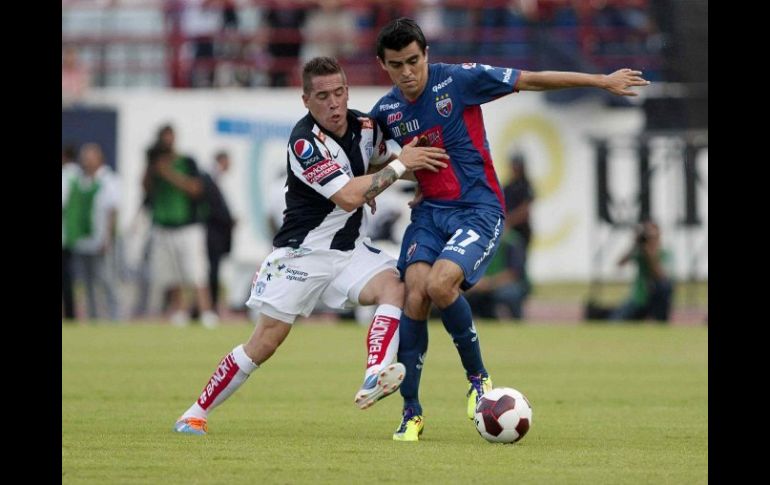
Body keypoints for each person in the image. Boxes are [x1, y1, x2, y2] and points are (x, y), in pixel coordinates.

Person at [370, 17, 650, 441]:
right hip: (429, 216)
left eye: (413, 61)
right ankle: (412, 412)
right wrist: (399, 171)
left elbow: (533, 79)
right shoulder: (386, 112)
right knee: (415, 292)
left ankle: (479, 380)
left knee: (443, 284)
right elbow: (375, 165)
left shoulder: (458, 81)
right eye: (397, 65)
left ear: (426, 54)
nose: (407, 72)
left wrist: (600, 80)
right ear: (383, 65)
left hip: (477, 210)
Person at [173, 56, 448, 435]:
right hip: (302, 254)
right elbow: (352, 195)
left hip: (349, 250)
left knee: (395, 286)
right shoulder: (304, 143)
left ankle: (374, 374)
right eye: (322, 96)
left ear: (347, 92)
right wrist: (395, 172)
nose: (333, 103)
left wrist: (411, 174)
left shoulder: (366, 126)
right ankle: (195, 412)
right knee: (264, 344)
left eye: (339, 93)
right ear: (306, 101)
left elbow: (385, 163)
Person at [142, 128, 219, 328]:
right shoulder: (153, 166)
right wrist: (151, 168)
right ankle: (180, 310)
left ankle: (206, 311)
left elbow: (196, 189)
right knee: (171, 273)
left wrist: (168, 173)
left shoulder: (187, 162)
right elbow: (145, 189)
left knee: (196, 271)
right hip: (163, 225)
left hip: (188, 225)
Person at [63, 143, 121, 321]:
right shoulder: (80, 180)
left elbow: (113, 211)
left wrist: (108, 237)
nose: (86, 160)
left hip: (100, 239)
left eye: (90, 156)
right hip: (83, 239)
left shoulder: (108, 180)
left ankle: (114, 317)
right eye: (84, 156)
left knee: (106, 280)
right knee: (86, 282)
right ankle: (92, 317)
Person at [464, 217, 530, 320]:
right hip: (481, 285)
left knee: (510, 293)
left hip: (505, 284)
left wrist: (489, 283)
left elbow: (513, 274)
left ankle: (517, 319)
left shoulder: (512, 242)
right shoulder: (477, 243)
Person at [610, 220, 673, 322]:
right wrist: (635, 245)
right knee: (615, 320)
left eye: (652, 236)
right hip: (639, 298)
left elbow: (662, 276)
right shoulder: (639, 252)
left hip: (657, 299)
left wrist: (650, 255)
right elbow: (620, 263)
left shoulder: (665, 253)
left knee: (665, 286)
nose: (650, 239)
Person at [201, 150, 235, 315]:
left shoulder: (217, 179)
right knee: (210, 270)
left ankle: (209, 306)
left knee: (214, 269)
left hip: (218, 233)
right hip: (213, 233)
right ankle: (209, 306)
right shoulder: (210, 178)